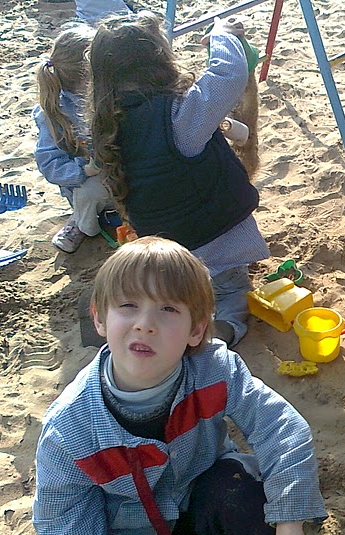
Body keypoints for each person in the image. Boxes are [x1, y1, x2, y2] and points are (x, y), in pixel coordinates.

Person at [32, 236, 327, 535]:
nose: (145, 324)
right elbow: (66, 531)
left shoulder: (214, 368)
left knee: (247, 494)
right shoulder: (69, 430)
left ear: (196, 330)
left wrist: (289, 528)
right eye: (128, 305)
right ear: (100, 318)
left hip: (203, 496)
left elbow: (281, 428)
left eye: (168, 309)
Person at [89, 11, 269, 348]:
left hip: (167, 249)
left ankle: (171, 311)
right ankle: (221, 332)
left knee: (181, 292)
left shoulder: (107, 126)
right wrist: (222, 34)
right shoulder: (179, 116)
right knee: (232, 293)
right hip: (214, 237)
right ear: (160, 58)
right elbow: (228, 74)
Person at [34, 24, 114, 254]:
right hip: (92, 181)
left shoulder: (109, 92)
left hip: (123, 171)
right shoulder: (55, 112)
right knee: (90, 193)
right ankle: (80, 223)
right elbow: (49, 164)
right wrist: (84, 170)